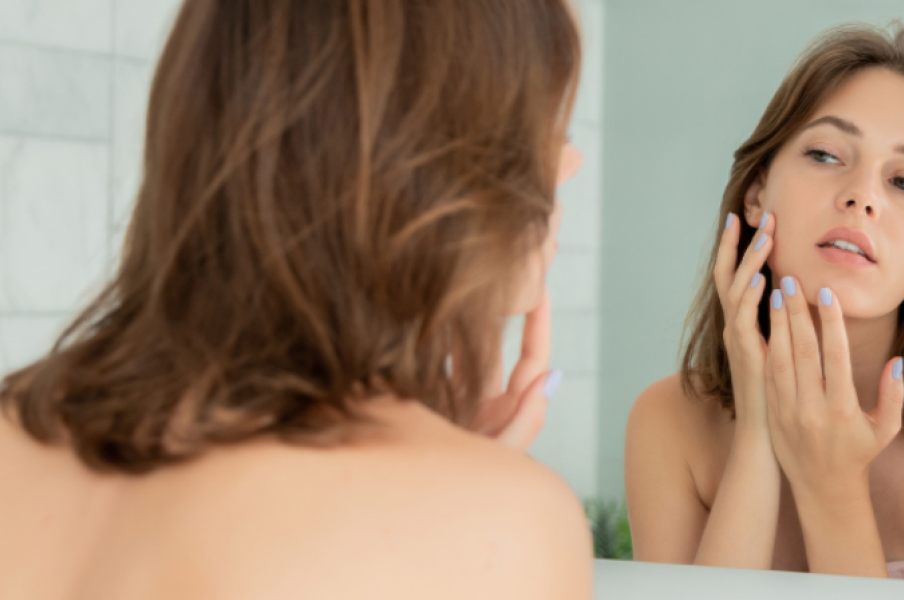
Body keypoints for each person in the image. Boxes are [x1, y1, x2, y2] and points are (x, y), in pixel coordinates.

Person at [0, 1, 591, 597]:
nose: (571, 162)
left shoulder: (14, 428)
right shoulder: (502, 522)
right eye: (547, 129)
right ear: (436, 163)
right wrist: (463, 484)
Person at [626, 24, 904, 590]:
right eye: (824, 154)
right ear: (756, 194)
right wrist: (758, 436)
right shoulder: (668, 420)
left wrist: (831, 488)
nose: (861, 196)